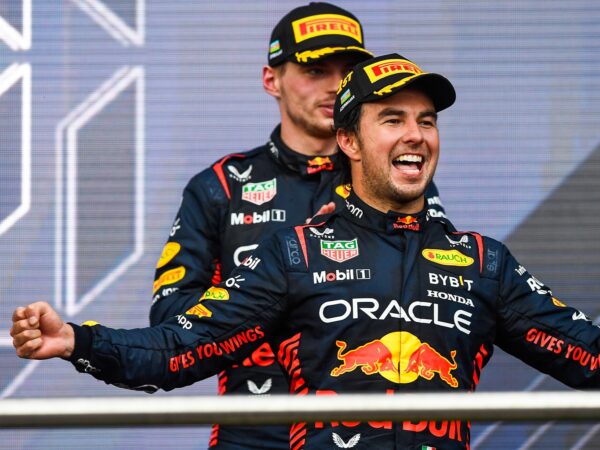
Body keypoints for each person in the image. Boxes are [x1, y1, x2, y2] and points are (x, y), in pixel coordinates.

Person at [10, 54, 600, 450]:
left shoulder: (483, 261)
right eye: (392, 118)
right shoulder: (292, 254)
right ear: (348, 142)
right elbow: (180, 350)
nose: (416, 134)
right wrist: (78, 340)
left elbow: (598, 357)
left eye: (427, 119)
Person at [147, 3, 446, 448]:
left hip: (361, 431)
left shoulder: (394, 175)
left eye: (347, 70)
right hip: (252, 430)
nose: (333, 86)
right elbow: (169, 313)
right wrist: (276, 303)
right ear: (272, 80)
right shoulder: (221, 187)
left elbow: (432, 290)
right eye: (315, 70)